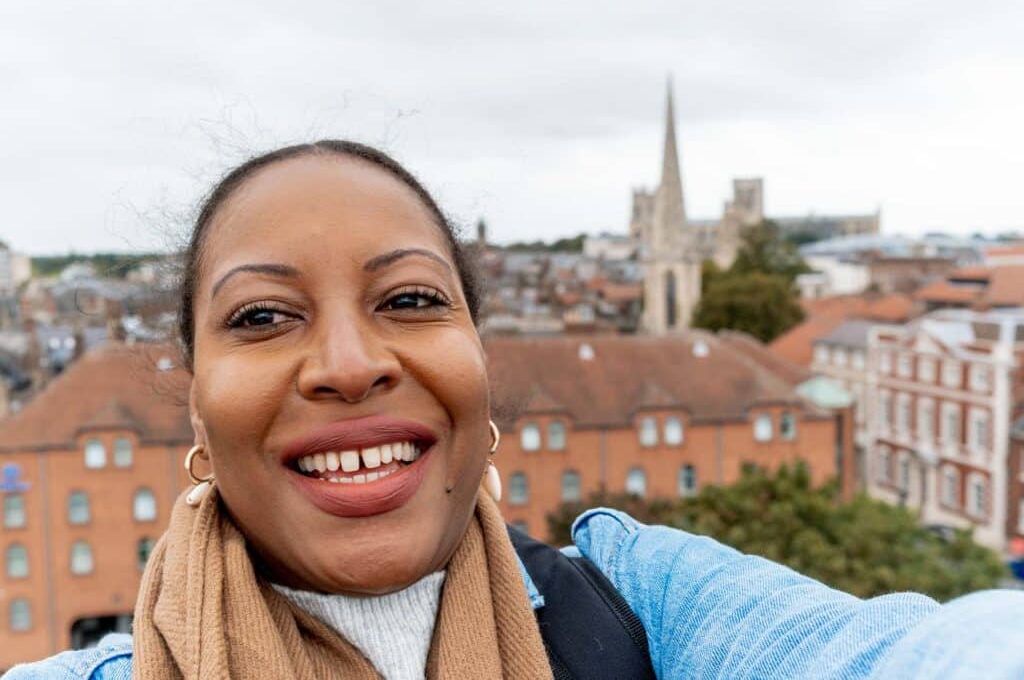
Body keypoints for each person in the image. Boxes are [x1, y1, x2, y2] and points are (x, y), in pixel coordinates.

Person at [8, 141, 1024, 679]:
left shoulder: (648, 606)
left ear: (483, 376)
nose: (351, 362)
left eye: (410, 298)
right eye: (262, 313)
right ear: (194, 408)